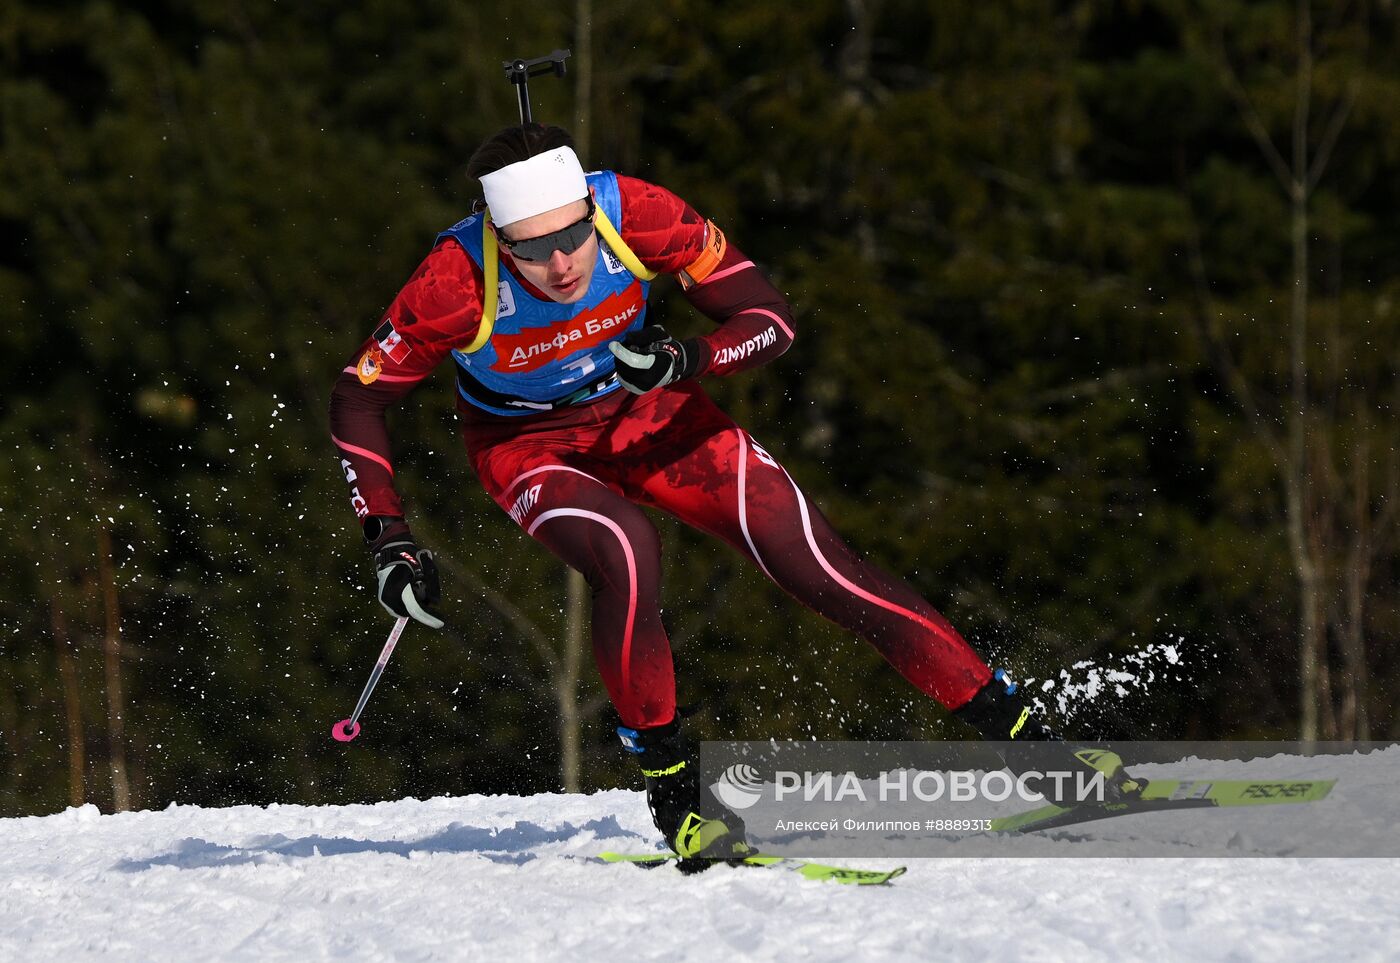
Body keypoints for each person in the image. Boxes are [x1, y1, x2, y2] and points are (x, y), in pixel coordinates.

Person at [329, 123, 1136, 868]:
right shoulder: (454, 280)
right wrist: (388, 536)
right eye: (535, 251)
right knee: (626, 554)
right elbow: (358, 398)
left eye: (574, 235)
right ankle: (680, 797)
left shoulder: (638, 213)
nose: (564, 263)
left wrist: (690, 357)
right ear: (500, 236)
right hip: (528, 445)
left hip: (654, 412)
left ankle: (1031, 745)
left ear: (590, 208)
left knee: (819, 563)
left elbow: (770, 319)